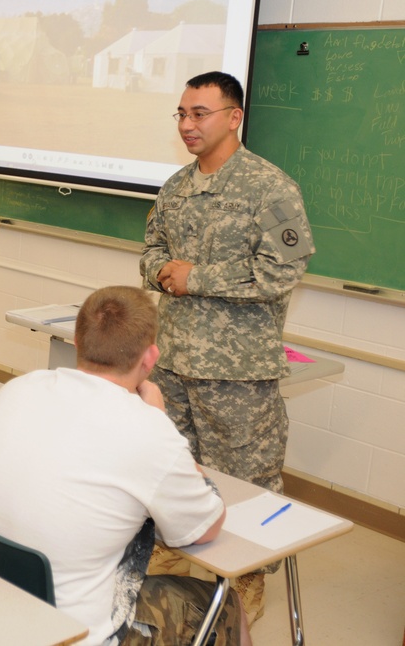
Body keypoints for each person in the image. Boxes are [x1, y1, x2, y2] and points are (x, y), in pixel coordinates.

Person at [0, 286, 251, 646]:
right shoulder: (149, 430)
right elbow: (205, 527)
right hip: (68, 633)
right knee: (227, 604)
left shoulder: (19, 387)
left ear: (77, 342)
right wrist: (160, 419)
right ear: (150, 358)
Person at [140, 71, 314, 616]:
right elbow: (149, 251)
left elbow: (282, 273)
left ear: (233, 117)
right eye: (182, 114)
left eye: (200, 114)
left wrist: (198, 277)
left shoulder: (270, 187)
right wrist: (163, 269)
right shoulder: (175, 186)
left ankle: (245, 582)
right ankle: (171, 553)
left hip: (238, 374)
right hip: (172, 363)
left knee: (244, 481)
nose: (188, 125)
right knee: (173, 469)